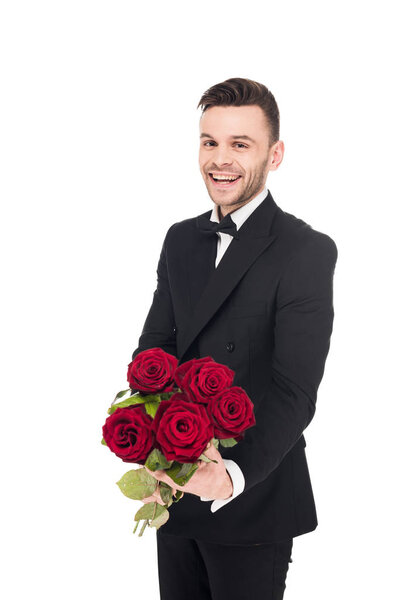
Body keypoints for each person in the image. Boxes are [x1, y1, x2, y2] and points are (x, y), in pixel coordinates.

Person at [131, 77, 338, 600]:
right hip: (176, 486)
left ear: (276, 154)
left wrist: (233, 476)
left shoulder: (306, 250)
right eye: (210, 142)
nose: (220, 160)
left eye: (239, 144)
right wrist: (146, 432)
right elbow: (155, 349)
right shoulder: (180, 238)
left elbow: (295, 389)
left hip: (254, 496)